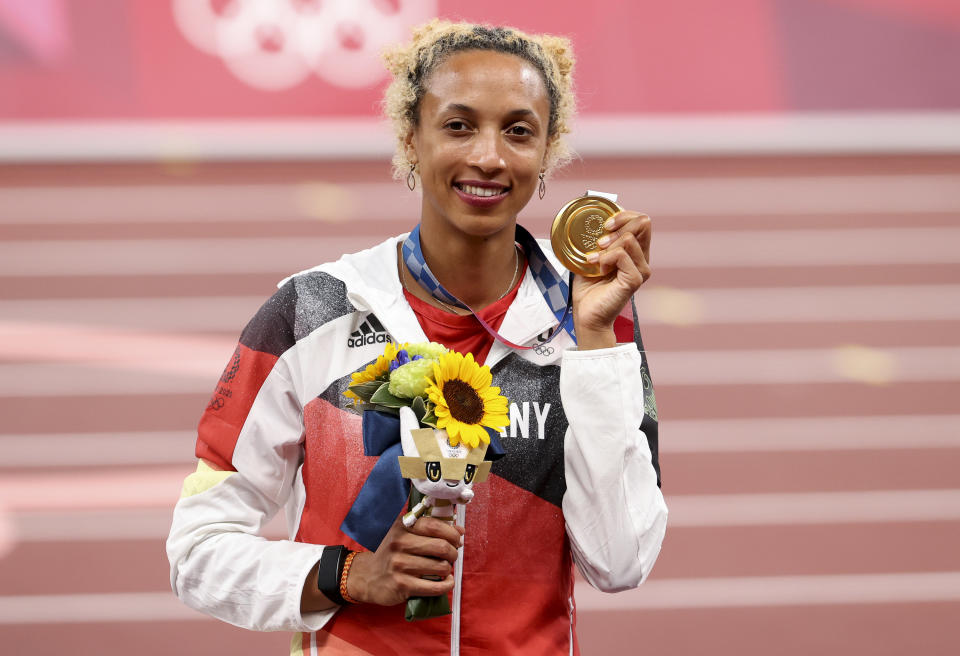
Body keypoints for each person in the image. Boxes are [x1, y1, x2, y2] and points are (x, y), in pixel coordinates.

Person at [167, 19, 667, 655]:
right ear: (411, 138)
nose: (488, 155)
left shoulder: (594, 319)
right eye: (458, 125)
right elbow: (197, 551)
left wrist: (595, 340)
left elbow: (619, 562)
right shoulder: (313, 309)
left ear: (546, 154)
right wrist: (346, 575)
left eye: (518, 131)